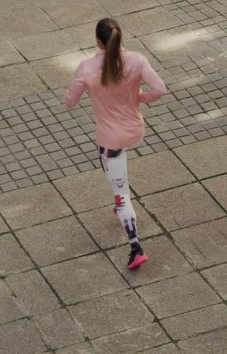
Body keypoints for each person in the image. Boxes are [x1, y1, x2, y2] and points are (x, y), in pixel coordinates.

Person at [64, 18, 167, 270]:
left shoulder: (87, 69)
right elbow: (160, 89)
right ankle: (119, 199)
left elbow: (70, 101)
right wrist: (140, 97)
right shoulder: (137, 60)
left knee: (121, 193)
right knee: (117, 175)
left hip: (110, 139)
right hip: (134, 129)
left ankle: (136, 247)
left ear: (98, 40)